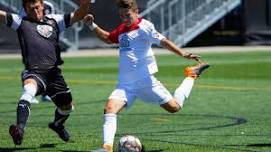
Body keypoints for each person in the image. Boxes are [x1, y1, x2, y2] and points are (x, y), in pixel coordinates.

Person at [83, 0, 209, 151]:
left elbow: (163, 41)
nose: (124, 18)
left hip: (146, 82)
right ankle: (107, 148)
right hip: (125, 85)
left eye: (127, 15)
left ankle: (191, 75)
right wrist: (92, 25)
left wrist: (183, 53)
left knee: (174, 107)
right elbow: (108, 38)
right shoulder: (123, 29)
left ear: (136, 11)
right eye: (121, 15)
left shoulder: (145, 27)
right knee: (110, 108)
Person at [0, 0, 90, 145]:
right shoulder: (20, 21)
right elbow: (2, 15)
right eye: (30, 9)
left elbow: (79, 15)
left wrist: (85, 4)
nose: (35, 11)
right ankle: (19, 129)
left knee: (67, 106)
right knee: (29, 90)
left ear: (42, 5)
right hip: (34, 72)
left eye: (37, 7)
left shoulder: (55, 20)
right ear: (24, 10)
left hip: (54, 74)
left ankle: (57, 125)